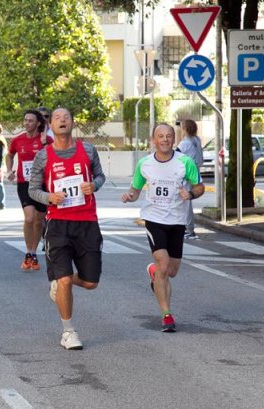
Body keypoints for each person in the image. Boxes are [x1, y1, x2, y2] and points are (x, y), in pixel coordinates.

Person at [29, 108, 105, 350]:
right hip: (58, 224)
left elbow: (101, 177)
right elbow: (32, 190)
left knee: (91, 282)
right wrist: (49, 196)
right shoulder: (43, 156)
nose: (62, 121)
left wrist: (94, 185)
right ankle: (68, 331)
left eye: (67, 118)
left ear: (73, 122)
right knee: (63, 279)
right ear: (50, 125)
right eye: (57, 118)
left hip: (87, 222)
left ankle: (61, 283)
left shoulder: (89, 150)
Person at [121, 123, 205, 332]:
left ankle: (154, 273)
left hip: (177, 220)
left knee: (172, 271)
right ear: (154, 140)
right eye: (161, 136)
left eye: (169, 136)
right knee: (164, 264)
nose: (165, 139)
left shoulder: (185, 162)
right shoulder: (145, 164)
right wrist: (129, 197)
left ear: (173, 139)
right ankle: (166, 315)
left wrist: (191, 194)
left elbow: (199, 186)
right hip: (154, 219)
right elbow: (136, 190)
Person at [6, 110, 51, 270]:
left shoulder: (47, 140)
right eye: (25, 120)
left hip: (42, 185)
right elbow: (9, 155)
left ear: (38, 123)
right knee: (29, 218)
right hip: (24, 184)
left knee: (39, 220)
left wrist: (45, 143)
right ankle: (28, 252)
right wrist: (9, 170)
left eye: (30, 121)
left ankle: (34, 252)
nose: (26, 123)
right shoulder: (18, 140)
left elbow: (54, 156)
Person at [176, 119, 204, 239]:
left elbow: (174, 155)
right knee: (186, 201)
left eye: (182, 127)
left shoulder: (185, 143)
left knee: (185, 201)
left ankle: (188, 229)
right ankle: (186, 228)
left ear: (185, 129)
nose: (180, 129)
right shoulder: (196, 140)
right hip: (195, 170)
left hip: (186, 173)